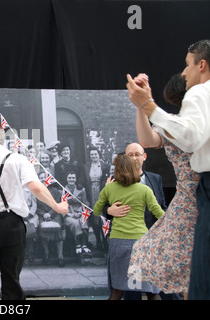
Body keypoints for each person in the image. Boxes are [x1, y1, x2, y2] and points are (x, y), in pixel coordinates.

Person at [126, 40, 210, 299]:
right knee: (189, 268)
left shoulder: (195, 101)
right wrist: (144, 106)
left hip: (196, 198)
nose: (184, 72)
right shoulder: (173, 124)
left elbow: (190, 136)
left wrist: (148, 105)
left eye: (187, 66)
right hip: (191, 198)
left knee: (194, 268)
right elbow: (147, 140)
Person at [0, 124, 69, 300]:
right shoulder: (19, 159)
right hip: (12, 224)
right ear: (3, 139)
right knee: (11, 279)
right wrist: (57, 206)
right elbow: (36, 187)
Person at [93, 154, 164, 300]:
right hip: (141, 242)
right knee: (151, 291)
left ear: (116, 170)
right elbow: (160, 213)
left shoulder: (109, 189)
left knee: (117, 290)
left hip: (118, 242)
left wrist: (109, 206)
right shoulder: (144, 190)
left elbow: (96, 210)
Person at [36, 171, 65, 267]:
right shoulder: (35, 191)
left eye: (45, 177)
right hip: (42, 215)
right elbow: (36, 206)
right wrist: (44, 214)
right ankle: (46, 254)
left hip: (54, 213)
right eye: (41, 178)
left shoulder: (55, 191)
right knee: (42, 229)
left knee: (58, 229)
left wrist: (50, 213)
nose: (43, 179)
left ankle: (60, 257)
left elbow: (57, 204)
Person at [63, 170, 91, 258]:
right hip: (68, 214)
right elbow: (62, 205)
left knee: (84, 221)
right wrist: (70, 214)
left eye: (73, 178)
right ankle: (78, 244)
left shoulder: (81, 190)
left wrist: (80, 212)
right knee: (75, 223)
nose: (71, 179)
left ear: (76, 179)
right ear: (66, 179)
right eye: (69, 178)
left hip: (80, 212)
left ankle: (84, 245)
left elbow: (86, 203)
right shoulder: (63, 190)